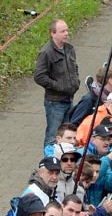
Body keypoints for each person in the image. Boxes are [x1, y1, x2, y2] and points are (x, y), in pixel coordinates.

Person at [34, 19, 80, 151]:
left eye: (67, 30)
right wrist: (58, 86)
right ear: (53, 34)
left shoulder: (69, 49)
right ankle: (49, 165)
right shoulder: (46, 52)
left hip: (69, 98)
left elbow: (74, 66)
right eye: (62, 31)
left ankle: (64, 160)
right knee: (52, 136)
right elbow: (39, 76)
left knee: (67, 134)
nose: (66, 33)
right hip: (55, 103)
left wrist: (76, 81)